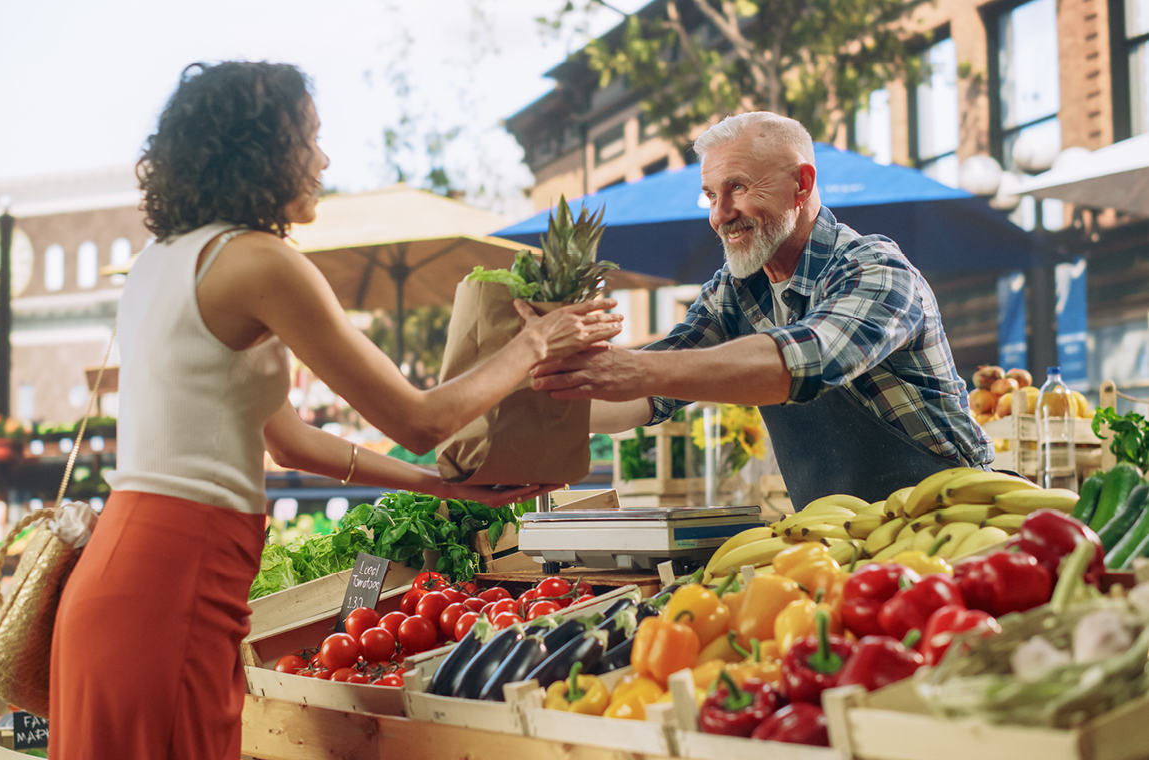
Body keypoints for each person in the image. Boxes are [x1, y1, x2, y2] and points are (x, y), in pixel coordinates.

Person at [48, 61, 621, 760]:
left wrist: (440, 486)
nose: (323, 159)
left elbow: (287, 441)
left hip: (122, 577)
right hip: (177, 582)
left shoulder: (162, 260)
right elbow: (419, 420)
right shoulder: (263, 261)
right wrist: (535, 342)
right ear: (262, 150)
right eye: (310, 138)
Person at [531, 112, 994, 510]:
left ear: (802, 184)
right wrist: (531, 404)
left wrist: (633, 366)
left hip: (955, 517)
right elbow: (648, 393)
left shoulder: (876, 268)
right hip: (839, 540)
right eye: (711, 195)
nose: (720, 214)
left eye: (738, 187)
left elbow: (808, 359)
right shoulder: (734, 292)